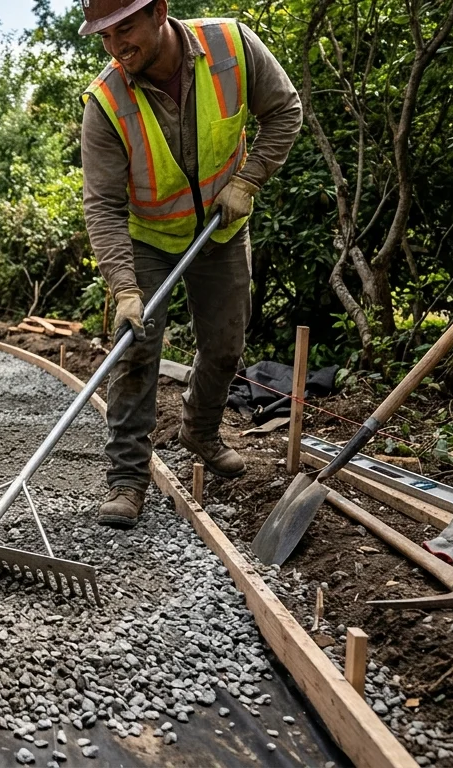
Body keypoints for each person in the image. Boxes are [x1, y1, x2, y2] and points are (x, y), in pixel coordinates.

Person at [79, 0, 303, 527]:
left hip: (219, 230)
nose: (116, 47)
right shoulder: (106, 100)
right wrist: (125, 288)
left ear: (159, 11)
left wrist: (248, 179)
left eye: (125, 29)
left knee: (226, 345)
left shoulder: (231, 47)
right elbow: (103, 204)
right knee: (137, 349)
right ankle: (127, 477)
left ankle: (199, 429)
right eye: (104, 37)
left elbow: (284, 111)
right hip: (147, 237)